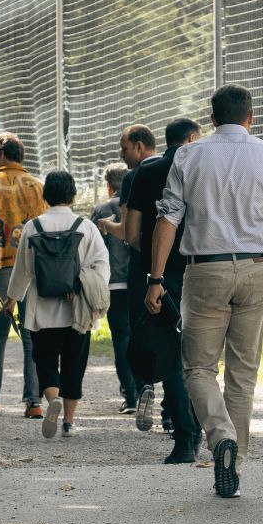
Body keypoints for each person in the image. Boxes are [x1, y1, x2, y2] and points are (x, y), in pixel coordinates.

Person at [147, 84, 263, 498]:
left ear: (212, 118)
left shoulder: (189, 154)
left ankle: (220, 440)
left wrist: (156, 278)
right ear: (251, 116)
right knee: (243, 371)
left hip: (205, 271)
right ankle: (238, 459)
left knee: (199, 368)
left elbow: (168, 220)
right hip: (256, 268)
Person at [7, 171, 110, 439]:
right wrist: (80, 285)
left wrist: (12, 298)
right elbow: (101, 264)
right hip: (76, 311)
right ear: (73, 195)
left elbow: (23, 270)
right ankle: (69, 422)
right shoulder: (85, 226)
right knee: (75, 365)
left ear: (46, 195)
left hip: (42, 311)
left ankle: (52, 399)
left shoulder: (33, 227)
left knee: (45, 361)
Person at [126, 117, 202, 463]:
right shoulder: (202, 168)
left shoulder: (145, 173)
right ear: (191, 138)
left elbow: (131, 234)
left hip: (157, 273)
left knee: (169, 352)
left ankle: (184, 439)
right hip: (200, 266)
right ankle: (209, 427)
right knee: (203, 353)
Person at [0, 132, 47, 418]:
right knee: (30, 333)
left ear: (1, 155)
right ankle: (34, 402)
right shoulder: (38, 185)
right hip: (33, 266)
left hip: (1, 265)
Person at [99, 124, 167, 428]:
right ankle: (173, 412)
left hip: (138, 271)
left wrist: (107, 226)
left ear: (139, 146)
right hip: (174, 268)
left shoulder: (134, 178)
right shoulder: (175, 169)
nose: (123, 155)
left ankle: (142, 387)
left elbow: (129, 233)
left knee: (133, 335)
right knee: (170, 334)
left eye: (124, 148)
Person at [91, 163, 142, 415]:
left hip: (112, 283)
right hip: (139, 281)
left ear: (109, 185)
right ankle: (145, 386)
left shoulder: (100, 210)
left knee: (121, 339)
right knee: (141, 335)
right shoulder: (141, 203)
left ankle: (130, 395)